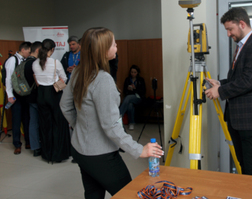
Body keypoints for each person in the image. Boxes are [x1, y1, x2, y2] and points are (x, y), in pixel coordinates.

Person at [60, 27, 163, 199]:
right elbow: (111, 126)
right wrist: (139, 150)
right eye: (114, 44)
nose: (116, 47)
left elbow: (65, 105)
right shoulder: (102, 80)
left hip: (80, 150)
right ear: (103, 50)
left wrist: (82, 129)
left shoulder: (79, 72)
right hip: (101, 155)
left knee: (93, 194)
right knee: (128, 195)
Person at [205, 7, 252, 176]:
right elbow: (240, 77)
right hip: (240, 121)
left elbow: (248, 81)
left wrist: (220, 91)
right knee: (244, 167)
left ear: (242, 24)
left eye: (230, 29)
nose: (228, 34)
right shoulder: (243, 46)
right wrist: (219, 83)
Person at [32, 39, 71, 163]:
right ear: (52, 49)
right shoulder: (55, 62)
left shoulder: (35, 63)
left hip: (41, 94)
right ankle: (58, 154)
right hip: (54, 93)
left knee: (45, 125)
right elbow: (64, 78)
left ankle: (47, 154)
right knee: (58, 124)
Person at [5, 41, 31, 155]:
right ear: (23, 50)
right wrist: (10, 95)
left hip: (25, 93)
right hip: (15, 94)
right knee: (16, 120)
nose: (29, 54)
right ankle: (17, 144)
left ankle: (28, 141)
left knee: (27, 118)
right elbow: (8, 79)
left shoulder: (26, 60)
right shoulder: (12, 60)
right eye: (28, 51)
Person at [24, 41, 42, 157]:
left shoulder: (24, 63)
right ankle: (44, 145)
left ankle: (35, 147)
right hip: (39, 96)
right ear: (37, 50)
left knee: (32, 122)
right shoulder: (36, 64)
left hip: (28, 97)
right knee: (42, 122)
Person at [119, 65, 146, 130]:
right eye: (132, 72)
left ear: (137, 73)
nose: (133, 74)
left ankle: (119, 115)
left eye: (135, 72)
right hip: (129, 97)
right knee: (130, 105)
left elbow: (143, 91)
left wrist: (135, 89)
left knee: (128, 98)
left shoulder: (141, 80)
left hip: (138, 98)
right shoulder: (127, 80)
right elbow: (124, 91)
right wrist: (128, 89)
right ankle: (131, 123)